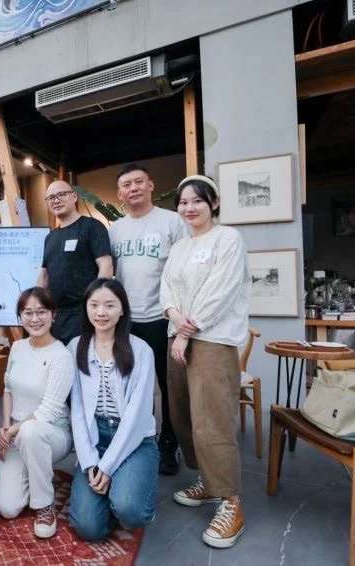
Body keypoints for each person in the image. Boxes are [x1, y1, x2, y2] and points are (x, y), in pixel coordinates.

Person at [160, 175, 250, 549]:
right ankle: (209, 483)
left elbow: (219, 292)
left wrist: (184, 331)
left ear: (213, 203)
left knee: (213, 420)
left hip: (209, 340)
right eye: (183, 202)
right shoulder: (180, 246)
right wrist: (171, 313)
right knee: (183, 417)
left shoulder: (227, 239)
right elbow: (166, 286)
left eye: (197, 200)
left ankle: (231, 501)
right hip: (177, 339)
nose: (189, 207)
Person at [108, 163, 189, 476]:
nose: (133, 188)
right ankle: (132, 440)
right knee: (127, 385)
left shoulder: (171, 222)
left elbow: (184, 271)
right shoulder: (115, 229)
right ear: (120, 194)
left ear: (151, 185)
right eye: (127, 185)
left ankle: (169, 442)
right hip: (126, 322)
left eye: (138, 182)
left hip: (162, 318)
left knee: (168, 386)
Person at [68, 278, 158, 541]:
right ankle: (115, 487)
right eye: (94, 305)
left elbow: (136, 417)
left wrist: (106, 467)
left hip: (134, 441)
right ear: (86, 308)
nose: (101, 312)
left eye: (109, 305)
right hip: (96, 439)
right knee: (88, 529)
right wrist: (89, 462)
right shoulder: (75, 348)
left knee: (132, 513)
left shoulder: (141, 350)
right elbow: (78, 412)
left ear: (122, 310)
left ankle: (126, 484)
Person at [0, 287, 74, 539]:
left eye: (41, 311)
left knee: (30, 432)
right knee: (8, 508)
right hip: (17, 431)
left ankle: (44, 505)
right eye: (27, 312)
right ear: (20, 317)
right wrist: (5, 426)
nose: (34, 318)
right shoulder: (17, 347)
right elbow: (7, 390)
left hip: (51, 432)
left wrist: (12, 431)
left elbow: (48, 410)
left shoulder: (61, 355)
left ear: (53, 315)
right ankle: (31, 469)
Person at [38, 181, 113, 345]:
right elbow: (44, 275)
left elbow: (106, 266)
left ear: (74, 196)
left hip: (83, 312)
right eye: (50, 197)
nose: (55, 200)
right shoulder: (50, 237)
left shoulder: (92, 227)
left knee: (83, 364)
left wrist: (95, 305)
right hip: (56, 315)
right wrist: (38, 306)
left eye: (61, 195)